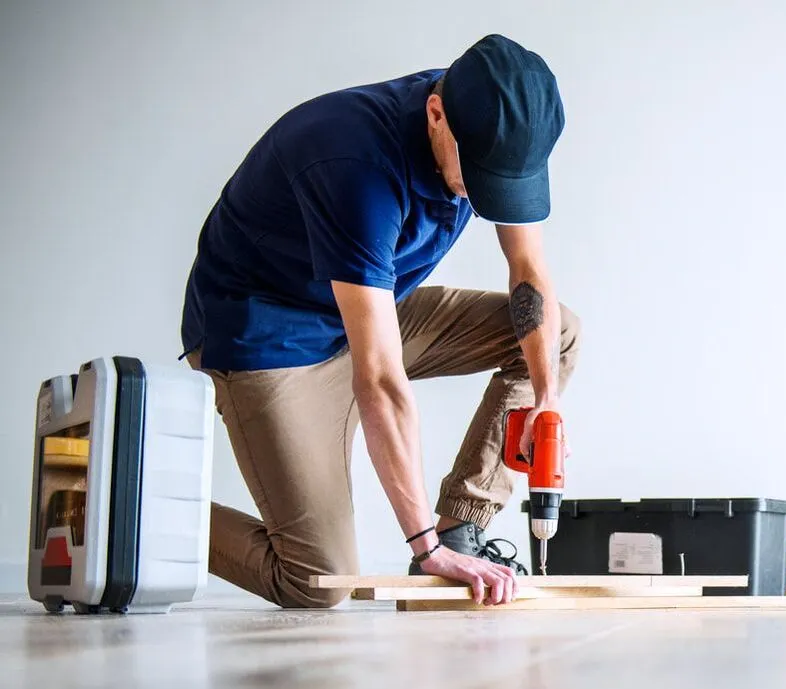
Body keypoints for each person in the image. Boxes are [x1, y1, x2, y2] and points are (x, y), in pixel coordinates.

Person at [178, 34, 581, 608]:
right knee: (316, 581)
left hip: (370, 305)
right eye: (482, 179)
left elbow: (528, 268)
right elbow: (381, 380)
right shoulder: (354, 165)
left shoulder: (491, 116)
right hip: (271, 337)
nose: (487, 196)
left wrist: (545, 401)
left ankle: (460, 527)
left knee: (555, 334)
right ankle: (132, 500)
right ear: (435, 115)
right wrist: (423, 551)